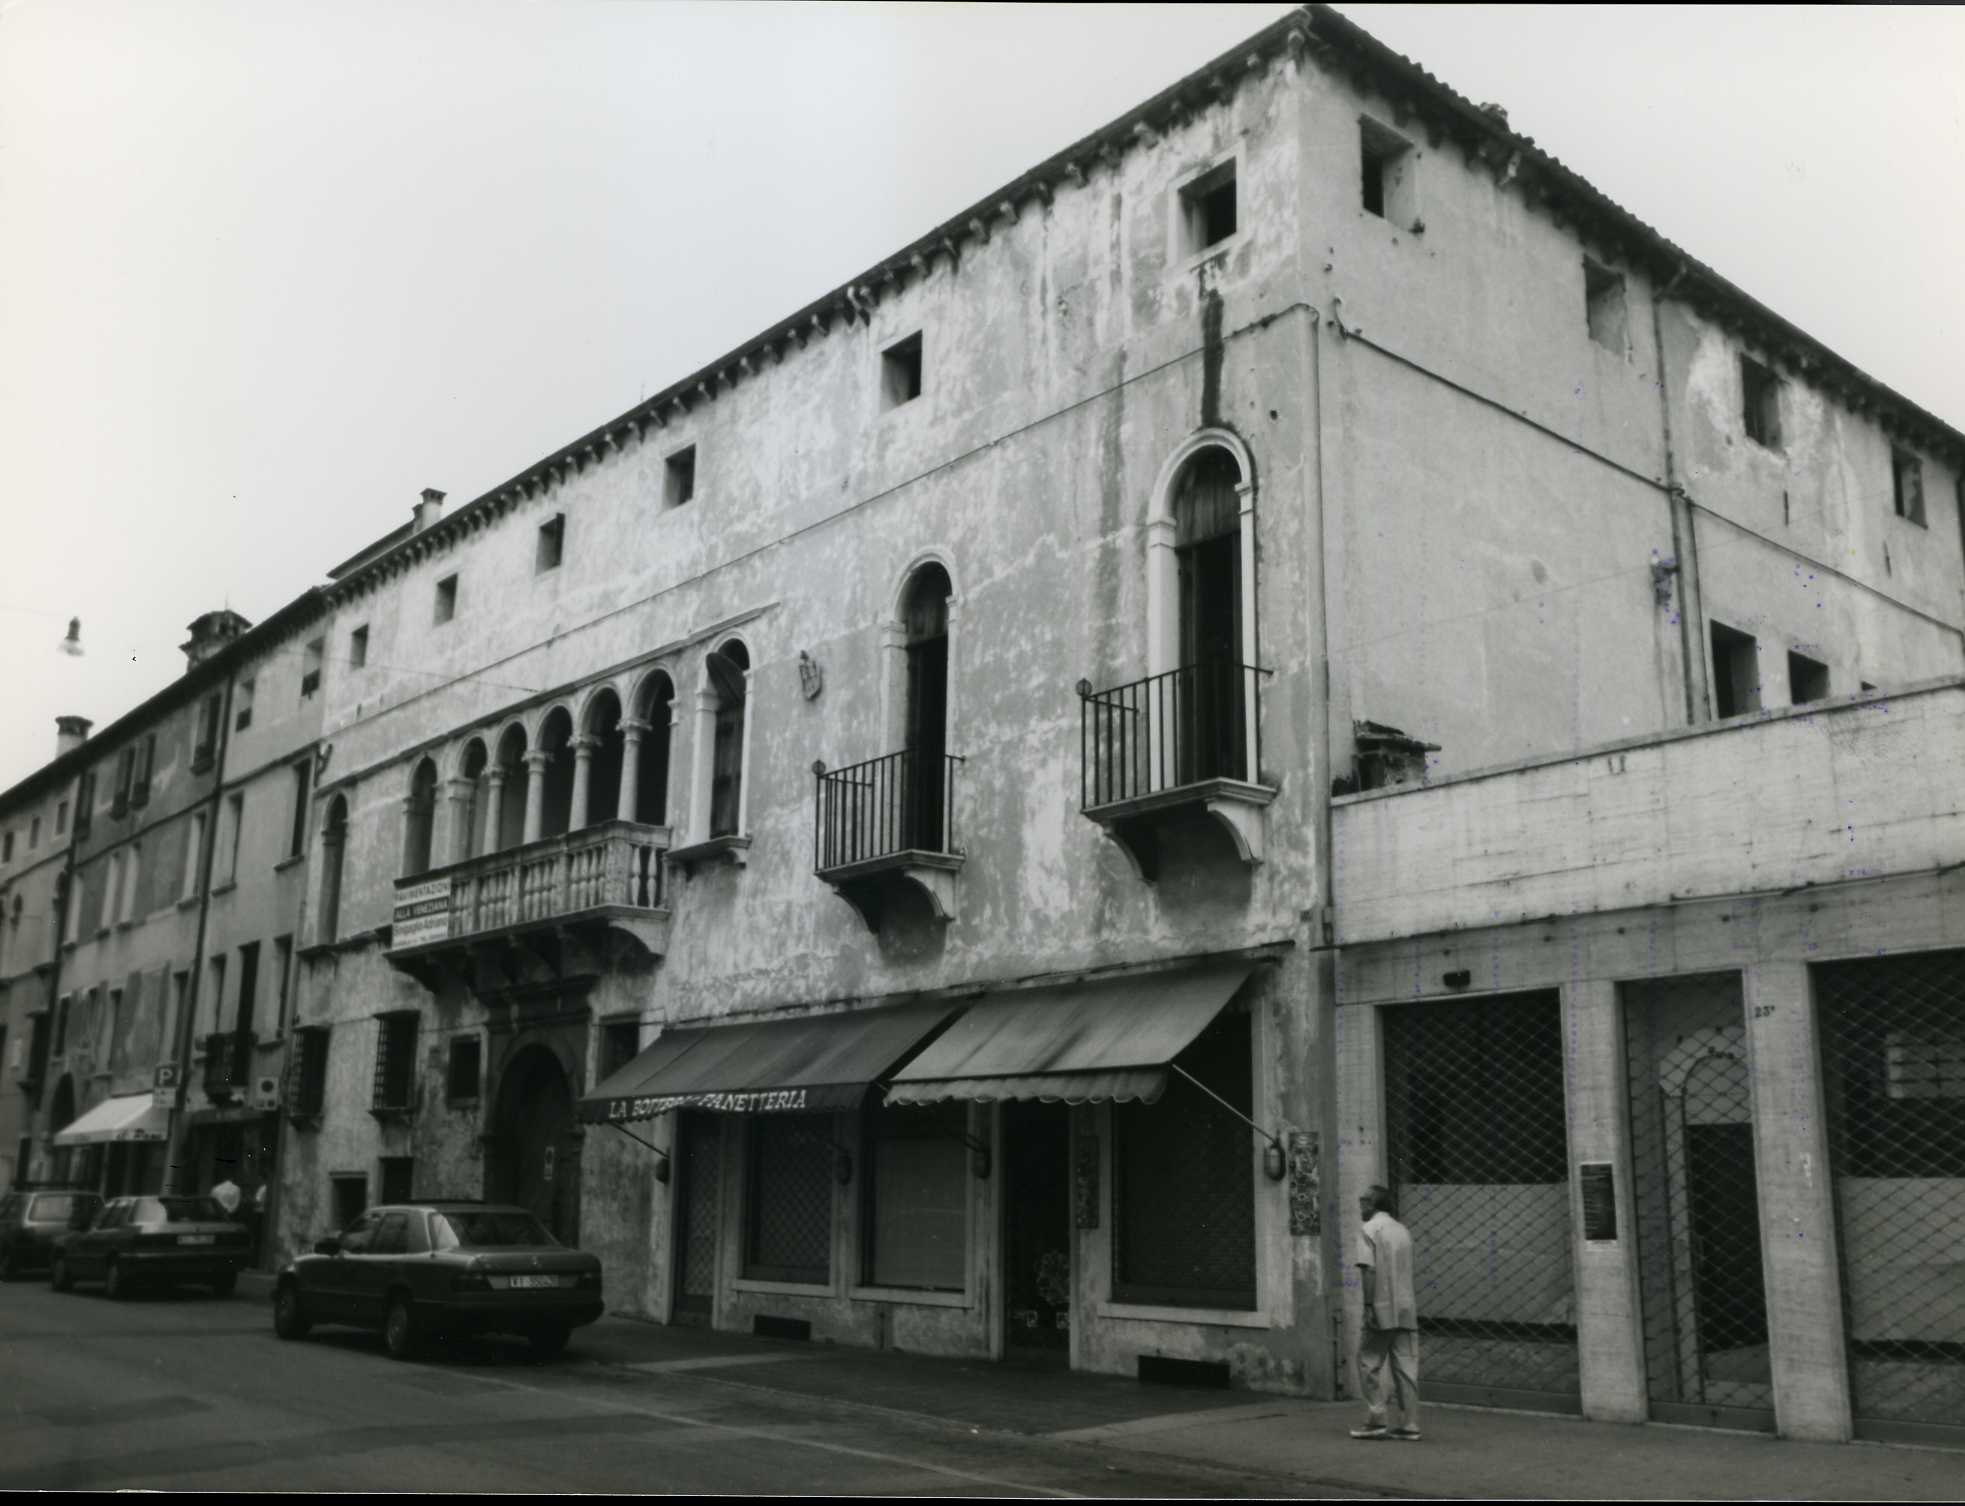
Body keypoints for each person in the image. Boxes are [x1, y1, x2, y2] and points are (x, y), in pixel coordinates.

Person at [1352, 1183, 1420, 1442]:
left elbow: (1368, 1270)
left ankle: (1376, 1419)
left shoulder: (1368, 1229)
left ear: (1371, 1204)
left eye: (1362, 1202)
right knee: (1405, 1366)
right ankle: (1410, 1424)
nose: (1359, 1206)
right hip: (1406, 1307)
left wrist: (1369, 1305)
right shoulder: (1403, 1230)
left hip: (1381, 1306)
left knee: (1368, 1361)